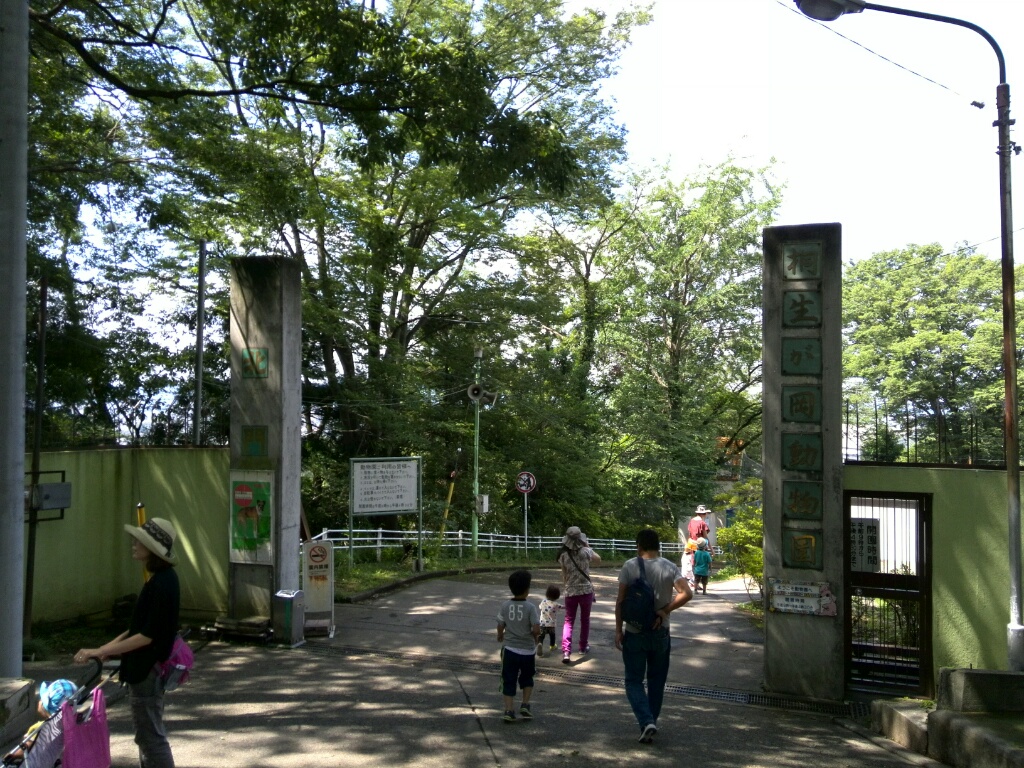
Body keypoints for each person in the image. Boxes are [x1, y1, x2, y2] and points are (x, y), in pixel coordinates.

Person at [76, 517, 181, 768]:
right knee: (147, 737)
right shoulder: (159, 579)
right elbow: (138, 628)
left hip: (147, 670)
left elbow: (146, 636)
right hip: (145, 669)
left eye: (139, 541)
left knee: (151, 738)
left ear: (152, 549)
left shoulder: (162, 583)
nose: (133, 544)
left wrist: (101, 650)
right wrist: (107, 650)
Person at [614, 528, 692, 743]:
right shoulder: (669, 566)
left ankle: (646, 721)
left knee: (633, 680)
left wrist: (618, 629)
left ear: (639, 546)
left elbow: (620, 601)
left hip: (634, 632)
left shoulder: (630, 566)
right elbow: (687, 593)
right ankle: (650, 722)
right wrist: (664, 610)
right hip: (660, 632)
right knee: (656, 681)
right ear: (658, 546)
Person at [496, 569, 540, 722]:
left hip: (510, 649)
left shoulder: (505, 605)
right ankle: (525, 704)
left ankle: (509, 710)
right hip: (527, 650)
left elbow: (500, 624)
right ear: (527, 589)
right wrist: (535, 637)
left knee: (508, 678)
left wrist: (500, 634)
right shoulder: (531, 607)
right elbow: (536, 628)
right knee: (527, 677)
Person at [556, 526, 601, 664]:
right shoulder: (586, 551)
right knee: (585, 619)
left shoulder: (563, 555)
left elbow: (564, 574)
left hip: (570, 591)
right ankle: (582, 646)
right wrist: (588, 546)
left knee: (568, 621)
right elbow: (599, 559)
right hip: (586, 591)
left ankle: (566, 651)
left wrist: (568, 586)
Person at [6, 679, 76, 761]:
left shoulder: (41, 729)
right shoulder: (75, 727)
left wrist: (12, 755)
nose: (39, 701)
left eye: (41, 699)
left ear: (46, 706)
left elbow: (27, 748)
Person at [536, 584, 563, 656]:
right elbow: (561, 607)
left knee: (541, 636)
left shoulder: (543, 602)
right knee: (552, 635)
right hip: (551, 624)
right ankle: (552, 645)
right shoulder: (555, 604)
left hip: (542, 623)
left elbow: (540, 607)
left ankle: (540, 644)